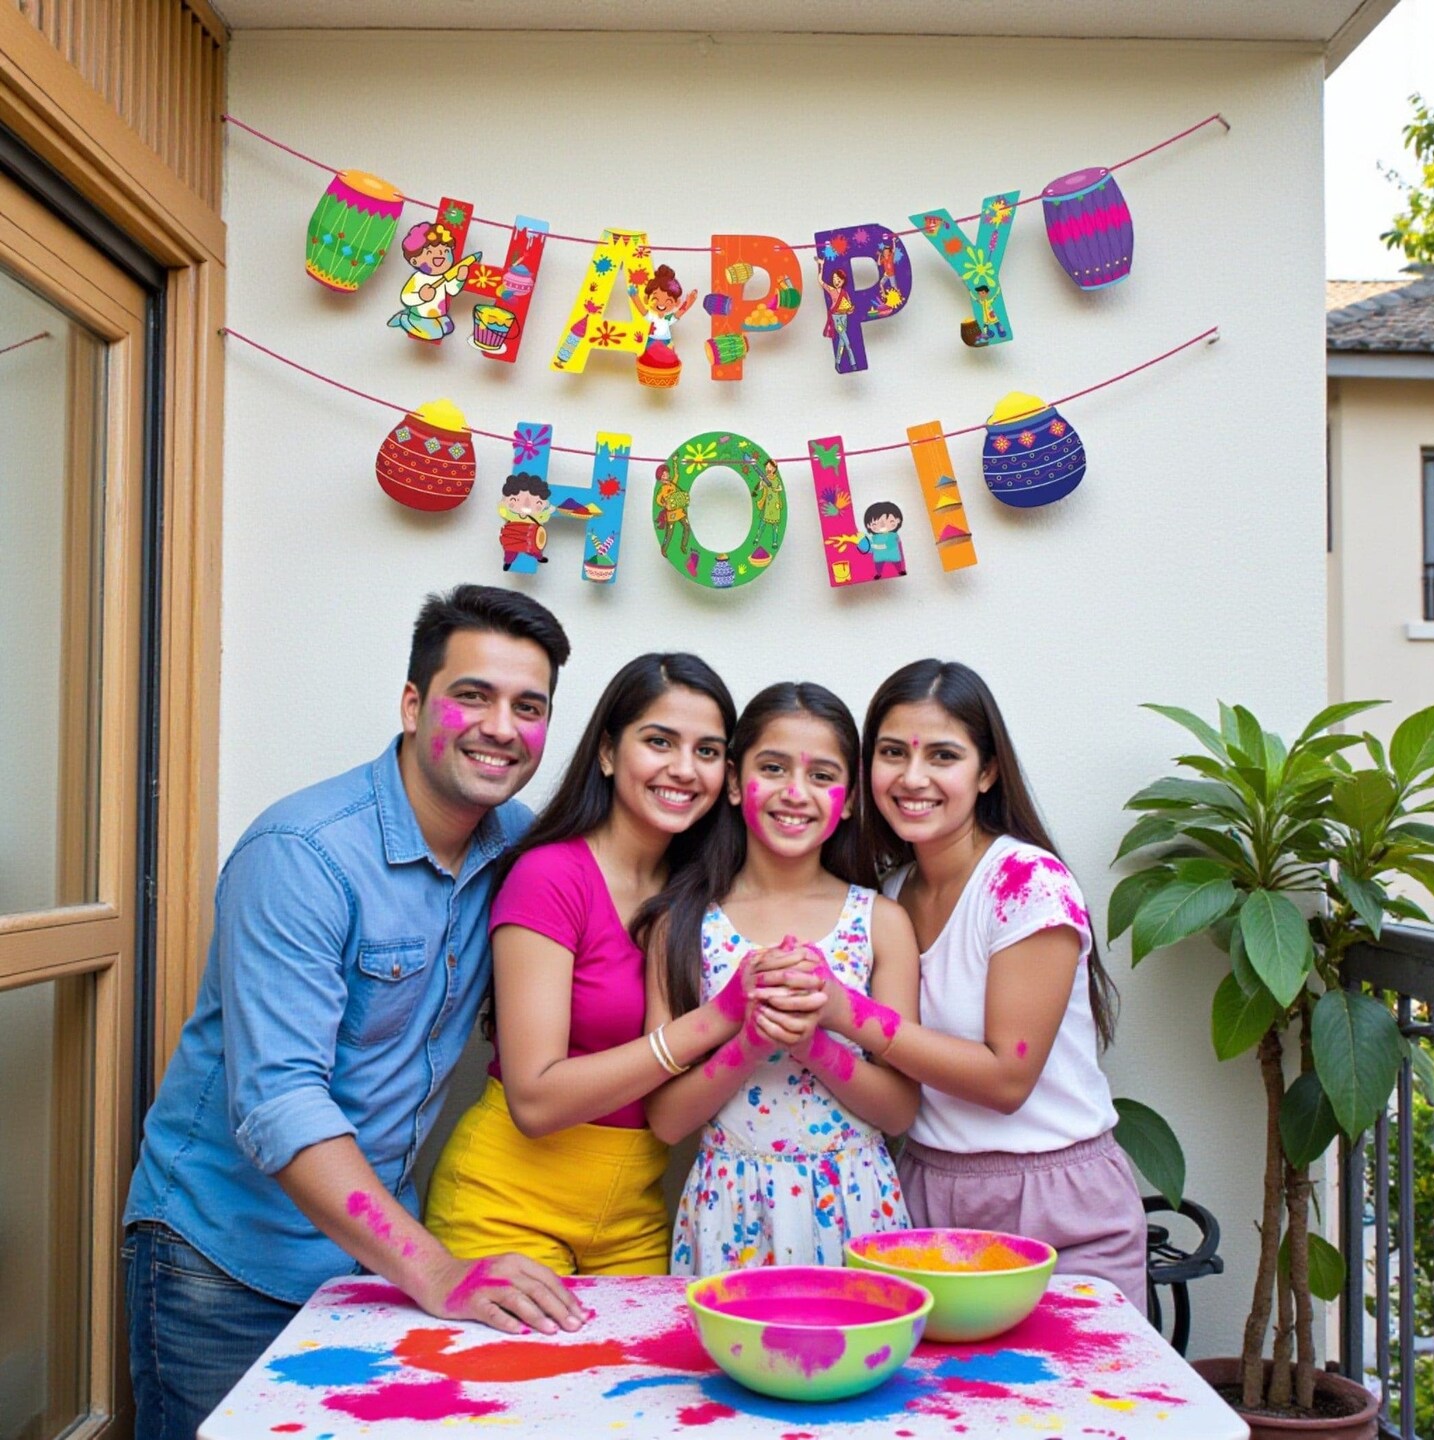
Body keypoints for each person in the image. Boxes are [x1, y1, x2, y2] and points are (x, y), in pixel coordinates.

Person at [122, 584, 586, 1440]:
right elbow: (279, 1101)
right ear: (412, 705)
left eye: (529, 707)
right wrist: (438, 1271)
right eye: (472, 695)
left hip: (370, 1265)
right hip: (225, 1265)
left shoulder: (516, 846)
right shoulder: (302, 854)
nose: (501, 727)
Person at [426, 654, 783, 1276]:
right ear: (609, 753)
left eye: (706, 751)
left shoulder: (704, 895)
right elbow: (535, 1101)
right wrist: (720, 1017)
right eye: (659, 741)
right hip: (504, 1211)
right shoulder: (550, 875)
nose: (683, 768)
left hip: (632, 1216)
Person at [834, 659, 1146, 1307]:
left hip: (1057, 1206)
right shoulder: (889, 894)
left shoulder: (1027, 883)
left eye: (942, 755)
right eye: (892, 753)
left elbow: (1007, 1080)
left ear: (987, 772)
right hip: (925, 1191)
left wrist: (844, 1012)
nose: (912, 777)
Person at [642, 682, 919, 1273]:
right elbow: (665, 1121)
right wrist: (748, 1042)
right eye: (773, 768)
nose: (796, 792)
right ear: (735, 782)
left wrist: (814, 1046)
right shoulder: (682, 925)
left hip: (856, 1206)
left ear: (850, 799)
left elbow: (899, 1112)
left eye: (822, 775)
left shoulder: (881, 922)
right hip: (730, 1211)